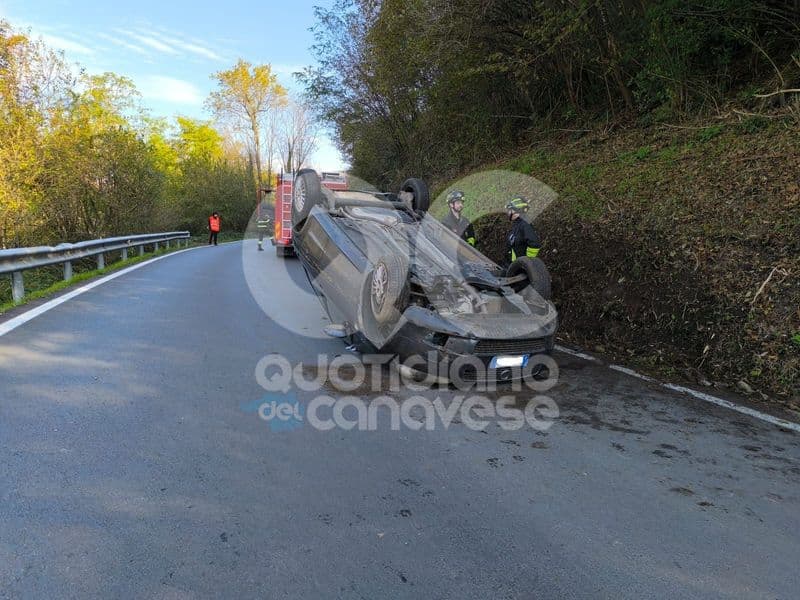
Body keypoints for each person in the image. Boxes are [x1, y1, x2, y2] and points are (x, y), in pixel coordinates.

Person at [505, 196, 541, 265]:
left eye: (510, 210)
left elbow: (535, 244)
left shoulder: (525, 225)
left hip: (519, 268)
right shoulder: (517, 224)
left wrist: (527, 262)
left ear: (517, 210)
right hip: (512, 265)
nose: (508, 213)